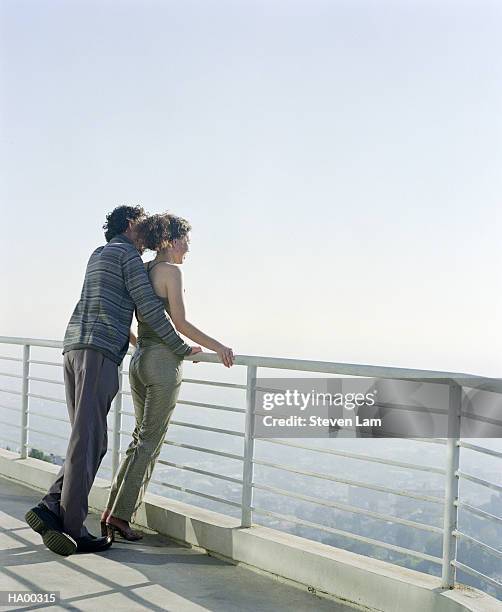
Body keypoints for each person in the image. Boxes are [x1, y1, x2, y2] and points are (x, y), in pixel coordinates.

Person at [25, 205, 200, 556]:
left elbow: (113, 305)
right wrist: (180, 348)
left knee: (88, 440)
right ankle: (71, 528)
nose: (148, 237)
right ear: (132, 225)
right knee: (90, 440)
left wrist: (135, 342)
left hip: (74, 348)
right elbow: (149, 309)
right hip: (99, 353)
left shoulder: (99, 254)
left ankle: (49, 505)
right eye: (144, 228)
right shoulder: (129, 258)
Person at [102, 213, 234, 540]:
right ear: (172, 241)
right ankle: (119, 517)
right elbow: (181, 323)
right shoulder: (171, 272)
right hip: (162, 363)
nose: (188, 247)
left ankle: (111, 511)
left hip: (139, 361)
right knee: (149, 442)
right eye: (186, 240)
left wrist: (141, 346)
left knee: (138, 439)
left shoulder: (142, 269)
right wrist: (219, 347)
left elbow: (135, 320)